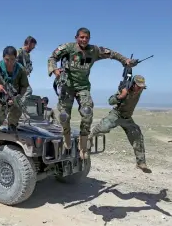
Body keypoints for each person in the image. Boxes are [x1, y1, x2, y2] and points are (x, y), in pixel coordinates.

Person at [47, 27, 139, 160]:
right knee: (63, 116)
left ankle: (83, 144)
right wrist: (54, 70)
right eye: (81, 37)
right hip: (67, 86)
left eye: (86, 38)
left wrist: (126, 61)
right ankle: (66, 135)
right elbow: (52, 57)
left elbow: (111, 53)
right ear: (76, 38)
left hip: (83, 87)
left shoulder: (93, 50)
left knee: (87, 113)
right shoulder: (68, 47)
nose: (84, 40)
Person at [88, 75, 152, 173]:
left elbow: (130, 73)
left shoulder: (140, 89)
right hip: (117, 114)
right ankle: (90, 135)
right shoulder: (124, 90)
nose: (140, 89)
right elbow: (110, 101)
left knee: (138, 137)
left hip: (127, 118)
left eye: (142, 87)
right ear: (133, 84)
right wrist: (121, 96)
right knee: (103, 128)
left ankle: (141, 163)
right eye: (138, 86)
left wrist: (130, 66)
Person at [0, 46, 29, 133]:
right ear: (3, 58)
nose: (10, 62)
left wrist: (18, 97)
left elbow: (24, 86)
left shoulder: (20, 69)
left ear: (16, 58)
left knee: (18, 107)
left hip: (14, 95)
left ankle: (12, 125)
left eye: (12, 59)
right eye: (7, 59)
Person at [16, 36, 37, 105]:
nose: (33, 48)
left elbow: (29, 65)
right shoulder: (19, 52)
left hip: (22, 78)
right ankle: (19, 108)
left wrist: (29, 69)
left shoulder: (27, 55)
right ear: (28, 43)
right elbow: (13, 63)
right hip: (16, 77)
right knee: (28, 91)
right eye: (32, 46)